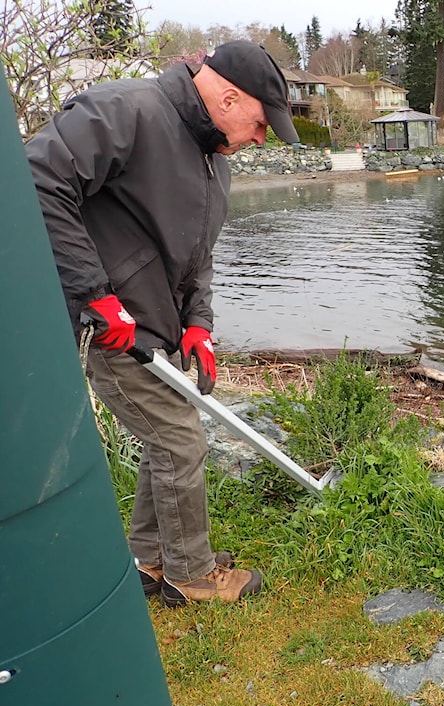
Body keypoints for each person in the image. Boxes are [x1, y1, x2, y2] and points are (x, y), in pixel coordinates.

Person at [26, 41, 300, 606]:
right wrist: (94, 295)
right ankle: (191, 575)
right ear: (227, 96)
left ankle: (149, 560)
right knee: (179, 441)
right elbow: (38, 179)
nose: (259, 139)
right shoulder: (128, 110)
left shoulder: (213, 160)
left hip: (158, 328)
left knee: (165, 440)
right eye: (258, 124)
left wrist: (198, 324)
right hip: (109, 329)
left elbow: (198, 256)